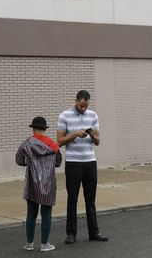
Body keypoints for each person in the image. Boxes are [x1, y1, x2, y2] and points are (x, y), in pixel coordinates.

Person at [57, 90, 108, 244]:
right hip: (73, 163)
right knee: (72, 199)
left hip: (90, 162)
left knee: (90, 199)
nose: (84, 109)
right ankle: (71, 234)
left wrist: (92, 134)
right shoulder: (64, 116)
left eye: (86, 106)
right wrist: (75, 135)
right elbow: (59, 141)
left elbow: (98, 141)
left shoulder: (93, 115)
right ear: (76, 101)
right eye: (81, 105)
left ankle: (94, 232)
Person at [16, 117, 62, 252]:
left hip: (32, 183)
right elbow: (58, 162)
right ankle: (45, 244)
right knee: (46, 213)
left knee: (31, 213)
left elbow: (18, 160)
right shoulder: (53, 145)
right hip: (49, 183)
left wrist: (28, 163)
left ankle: (29, 244)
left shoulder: (27, 143)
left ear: (33, 128)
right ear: (45, 129)